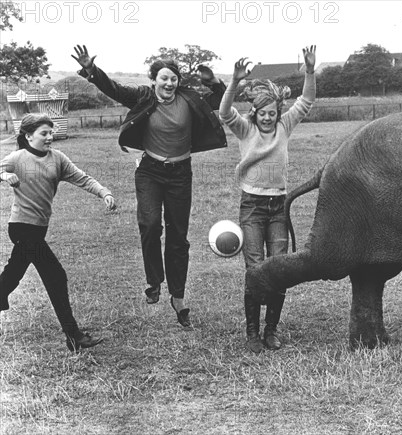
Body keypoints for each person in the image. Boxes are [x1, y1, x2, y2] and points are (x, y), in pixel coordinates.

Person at [71, 45, 228, 327]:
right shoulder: (143, 97)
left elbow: (218, 99)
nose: (169, 83)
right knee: (150, 223)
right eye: (164, 78)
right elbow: (115, 89)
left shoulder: (189, 98)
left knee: (179, 236)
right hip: (150, 171)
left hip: (181, 173)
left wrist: (214, 82)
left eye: (174, 78)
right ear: (153, 79)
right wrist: (91, 71)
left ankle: (178, 297)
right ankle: (154, 281)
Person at [219, 46, 316, 353]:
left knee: (278, 268)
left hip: (279, 208)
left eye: (273, 113)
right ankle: (251, 333)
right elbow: (224, 113)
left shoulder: (284, 127)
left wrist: (310, 71)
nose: (269, 118)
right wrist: (234, 82)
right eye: (263, 114)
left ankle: (271, 331)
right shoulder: (245, 130)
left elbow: (307, 101)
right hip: (252, 207)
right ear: (255, 114)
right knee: (255, 269)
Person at [0, 113, 116, 351]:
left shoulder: (57, 159)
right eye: (44, 133)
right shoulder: (17, 158)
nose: (50, 137)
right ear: (28, 136)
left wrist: (103, 192)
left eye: (51, 133)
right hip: (22, 227)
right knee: (55, 276)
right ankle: (74, 336)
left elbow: (81, 178)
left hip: (39, 229)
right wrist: (4, 175)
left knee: (14, 272)